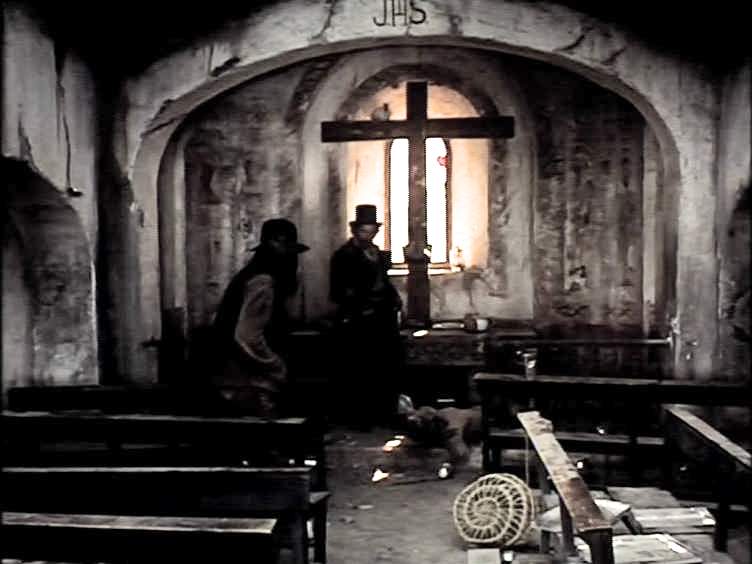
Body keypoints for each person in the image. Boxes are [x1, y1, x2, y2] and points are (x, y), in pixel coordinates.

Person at [210, 218, 309, 417]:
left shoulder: (254, 275)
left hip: (243, 380)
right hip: (246, 382)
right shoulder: (262, 282)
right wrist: (275, 365)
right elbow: (246, 336)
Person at [330, 204, 404, 429]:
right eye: (363, 231)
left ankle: (384, 414)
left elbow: (384, 283)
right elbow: (337, 292)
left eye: (372, 231)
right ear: (355, 231)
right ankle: (360, 418)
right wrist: (361, 304)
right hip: (358, 323)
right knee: (359, 371)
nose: (368, 236)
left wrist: (394, 301)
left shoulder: (378, 255)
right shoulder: (343, 257)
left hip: (382, 322)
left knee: (384, 369)